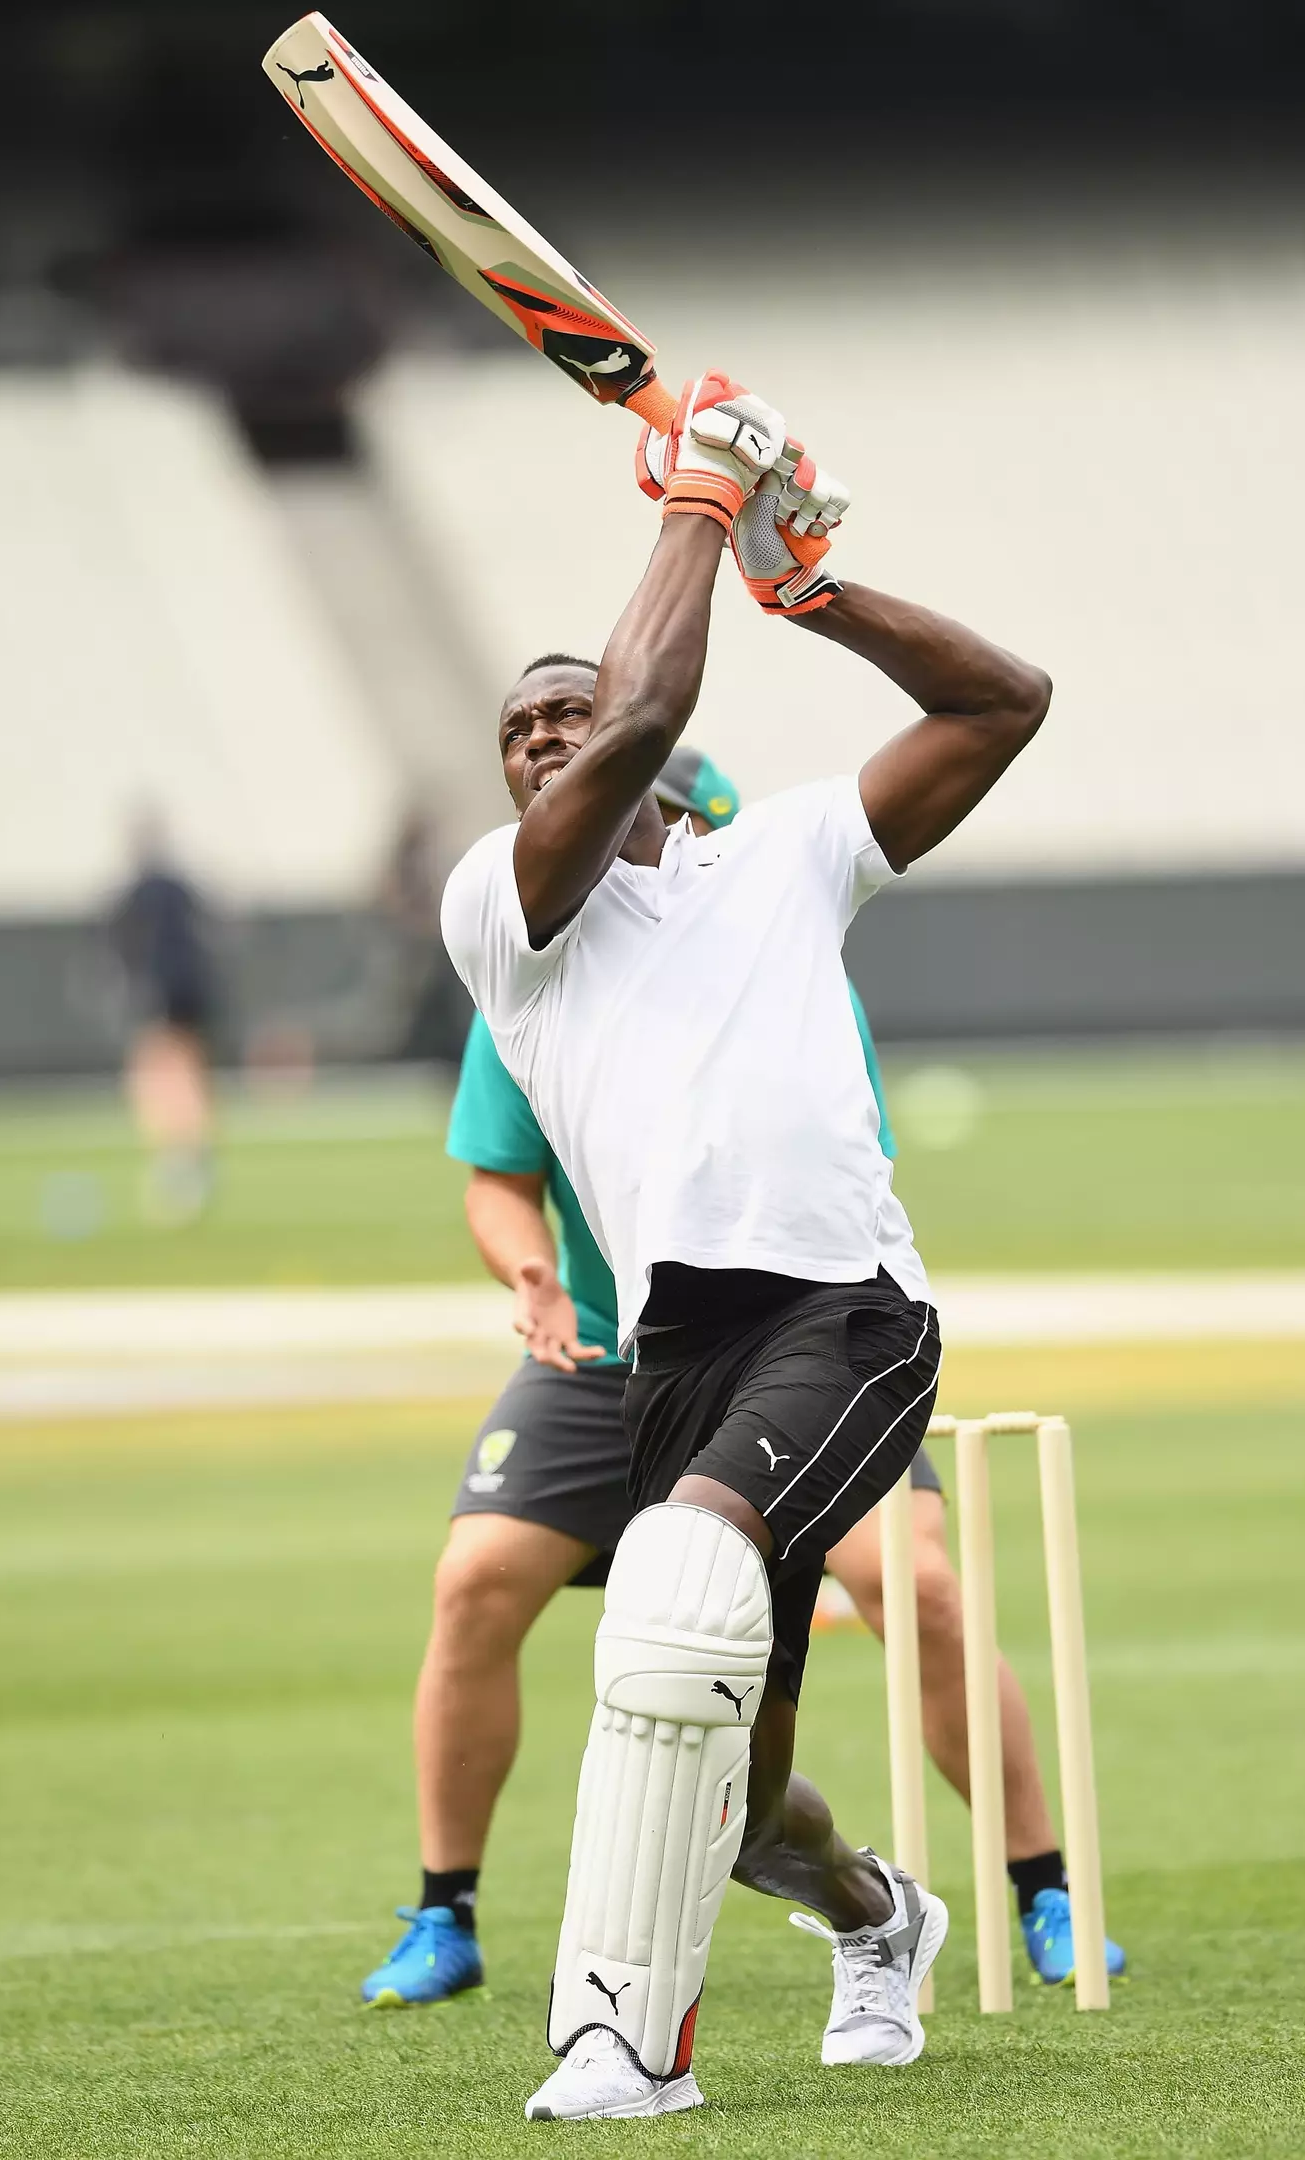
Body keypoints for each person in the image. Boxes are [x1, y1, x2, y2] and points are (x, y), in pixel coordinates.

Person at [439, 372, 1052, 2120]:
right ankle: (878, 1912)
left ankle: (620, 2050)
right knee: (723, 1781)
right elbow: (644, 708)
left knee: (674, 1595)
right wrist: (702, 494)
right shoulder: (506, 909)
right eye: (520, 731)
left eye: (567, 712)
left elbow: (1005, 701)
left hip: (851, 1319)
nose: (548, 737)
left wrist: (809, 585)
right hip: (679, 1351)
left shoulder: (773, 853)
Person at [362, 750, 1123, 2015]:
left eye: (705, 833)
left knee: (921, 1588)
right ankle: (446, 1911)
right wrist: (536, 1278)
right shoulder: (536, 959)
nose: (686, 867)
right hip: (607, 1355)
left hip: (793, 1354)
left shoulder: (784, 977)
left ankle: (1039, 1883)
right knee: (473, 1584)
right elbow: (495, 1175)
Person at [110, 814, 217, 1224]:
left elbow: (124, 941)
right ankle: (189, 1152)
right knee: (184, 1066)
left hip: (165, 989)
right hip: (191, 988)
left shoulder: (141, 891)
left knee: (158, 1071)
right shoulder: (177, 885)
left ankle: (180, 1158)